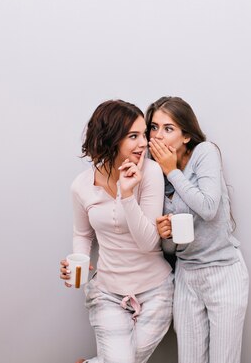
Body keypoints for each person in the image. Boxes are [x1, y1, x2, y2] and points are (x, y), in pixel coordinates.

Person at [59, 99, 173, 363]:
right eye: (133, 136)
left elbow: (148, 242)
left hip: (156, 290)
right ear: (110, 140)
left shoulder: (151, 172)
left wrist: (128, 193)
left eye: (144, 134)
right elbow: (83, 234)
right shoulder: (81, 186)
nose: (144, 143)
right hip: (107, 292)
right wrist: (79, 261)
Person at [146, 96, 249, 363]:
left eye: (168, 129)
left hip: (223, 271)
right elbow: (170, 249)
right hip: (187, 276)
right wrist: (166, 235)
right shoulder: (153, 175)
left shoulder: (205, 153)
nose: (158, 136)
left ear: (186, 136)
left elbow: (208, 207)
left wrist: (172, 173)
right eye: (154, 128)